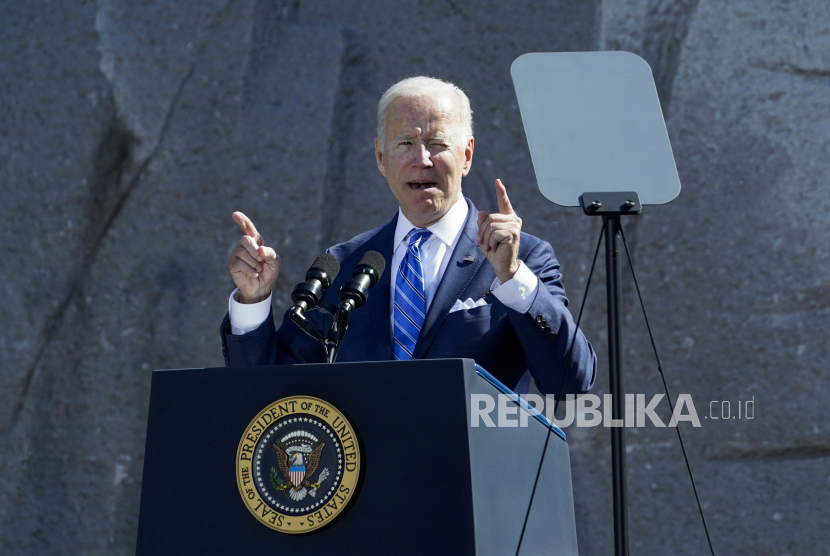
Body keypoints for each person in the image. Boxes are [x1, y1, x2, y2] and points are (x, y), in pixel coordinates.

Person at [220, 76, 595, 396]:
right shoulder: (346, 265)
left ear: (466, 155)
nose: (423, 159)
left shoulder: (523, 259)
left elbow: (571, 381)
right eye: (405, 144)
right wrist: (253, 300)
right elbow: (270, 391)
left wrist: (512, 277)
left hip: (473, 474)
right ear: (381, 158)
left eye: (437, 144)